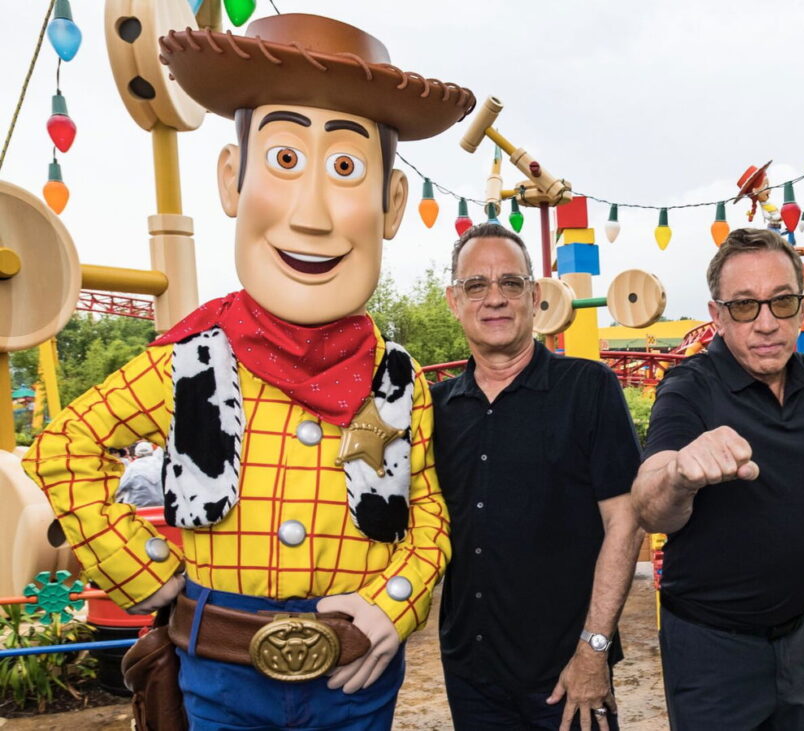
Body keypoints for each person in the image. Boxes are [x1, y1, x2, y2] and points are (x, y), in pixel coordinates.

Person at [23, 14, 475, 730]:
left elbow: (427, 512)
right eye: (285, 160)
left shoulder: (395, 378)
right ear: (233, 179)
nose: (313, 215)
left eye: (347, 169)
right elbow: (64, 449)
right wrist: (147, 569)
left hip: (354, 677)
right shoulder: (190, 359)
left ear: (390, 205)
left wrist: (395, 605)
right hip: (218, 674)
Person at [431, 222, 644, 731]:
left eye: (510, 282)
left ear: (533, 295)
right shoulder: (434, 408)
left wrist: (594, 649)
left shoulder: (589, 389)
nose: (495, 298)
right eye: (476, 285)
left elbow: (626, 523)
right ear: (454, 301)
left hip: (568, 674)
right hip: (471, 674)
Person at [630, 228, 804, 730]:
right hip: (711, 649)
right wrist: (680, 473)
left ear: (802, 308)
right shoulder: (690, 388)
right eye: (744, 306)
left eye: (782, 302)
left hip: (799, 635)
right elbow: (648, 504)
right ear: (718, 316)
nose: (766, 323)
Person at [115, 441, 164, 506]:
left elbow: (121, 487)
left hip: (138, 507)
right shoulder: (161, 464)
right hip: (162, 505)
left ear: (136, 453)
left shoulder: (132, 467)